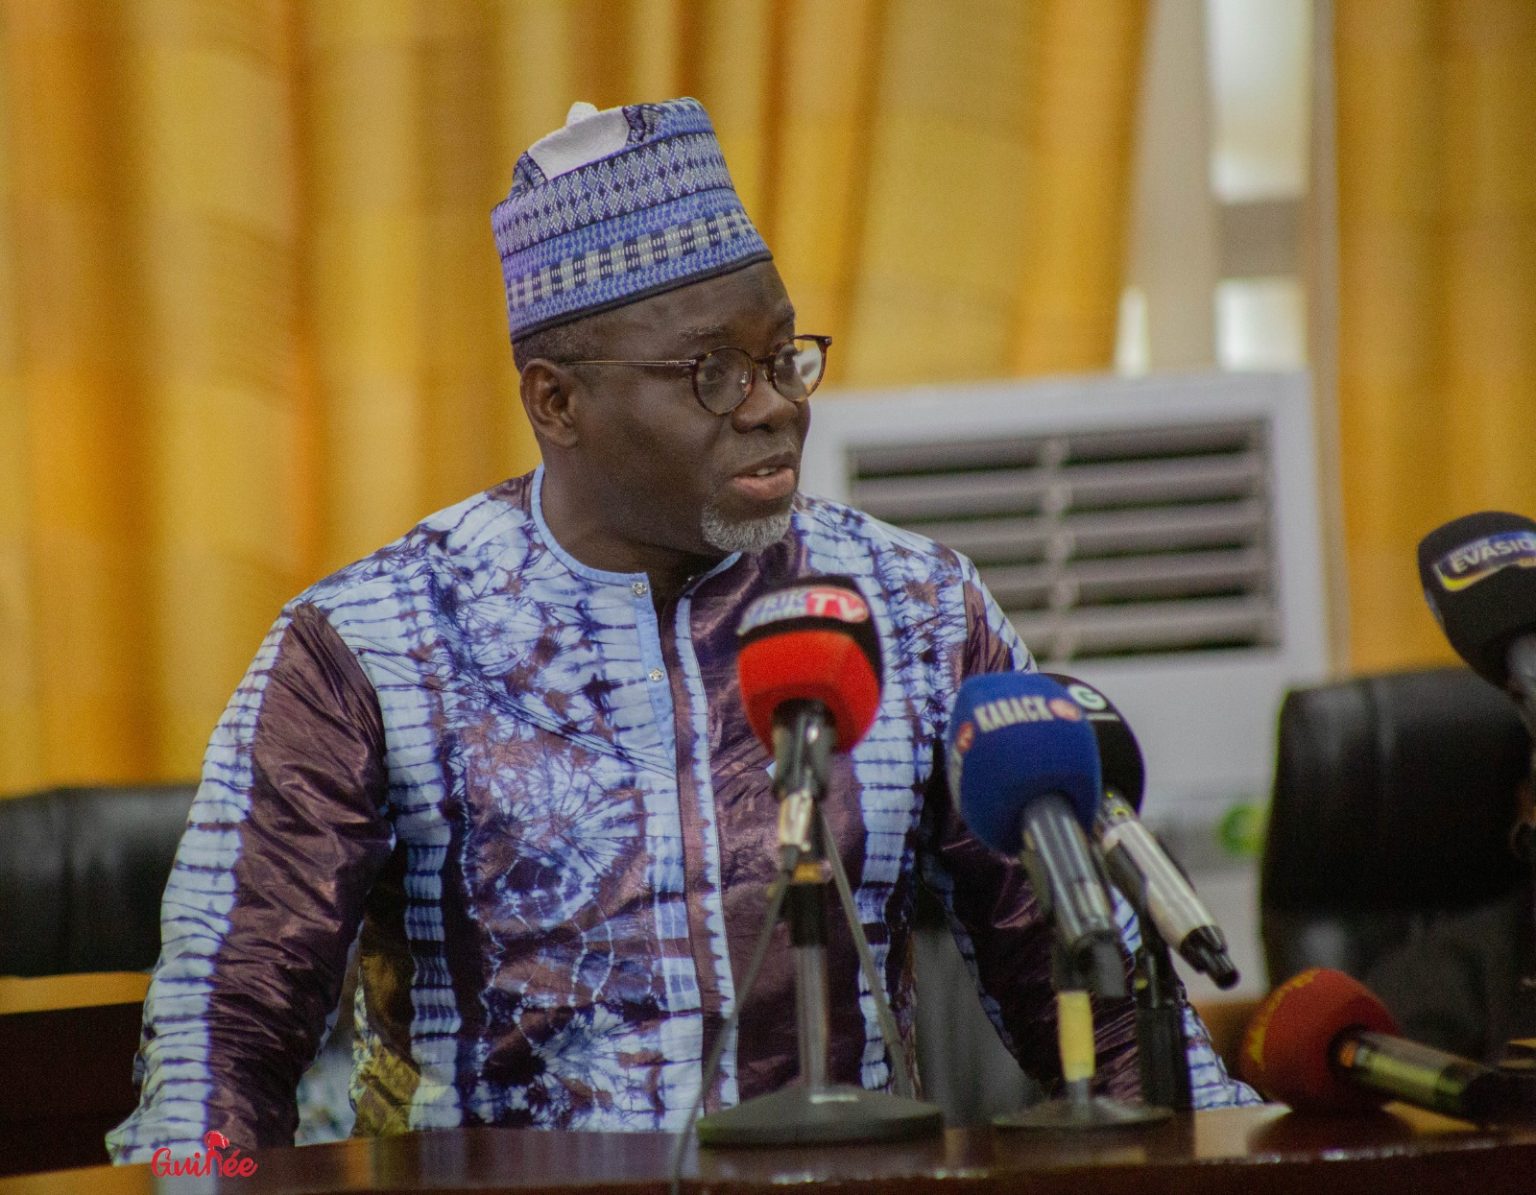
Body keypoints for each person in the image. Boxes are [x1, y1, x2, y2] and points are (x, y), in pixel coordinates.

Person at [106, 96, 1255, 1163]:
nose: (775, 402)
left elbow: (1100, 1002)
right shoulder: (372, 643)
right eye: (713, 371)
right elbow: (223, 1032)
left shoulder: (912, 608)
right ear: (557, 401)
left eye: (782, 353)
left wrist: (1227, 1164)